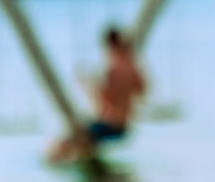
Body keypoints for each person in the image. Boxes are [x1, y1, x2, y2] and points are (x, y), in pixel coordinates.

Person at [47, 26, 147, 163]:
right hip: (124, 125)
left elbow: (104, 102)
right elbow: (142, 90)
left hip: (110, 125)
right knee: (80, 144)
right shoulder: (132, 67)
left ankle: (50, 164)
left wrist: (89, 85)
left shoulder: (113, 71)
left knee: (66, 142)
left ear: (109, 46)